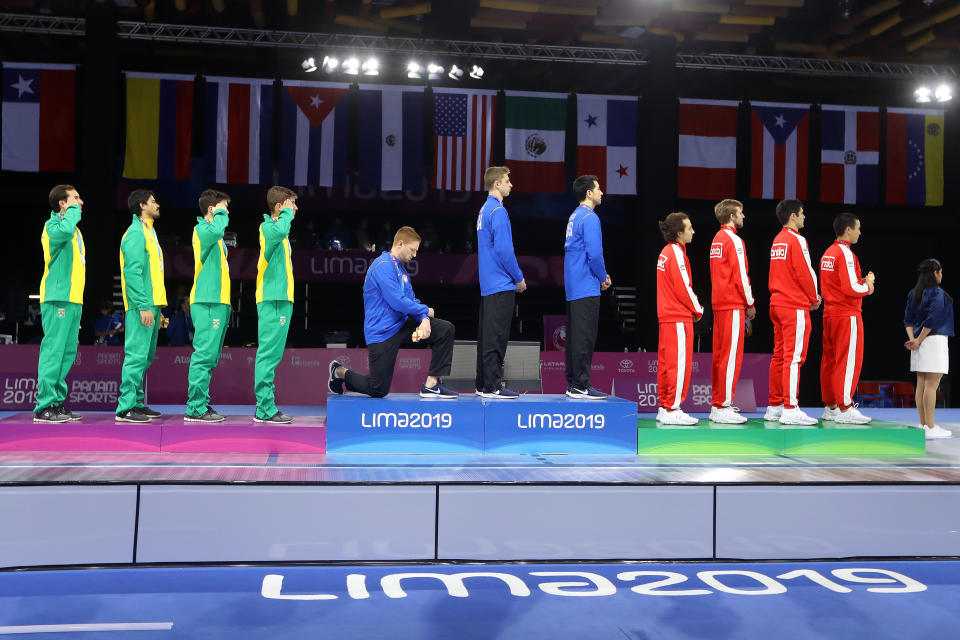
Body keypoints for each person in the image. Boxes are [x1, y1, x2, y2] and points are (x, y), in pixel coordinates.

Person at [327, 226, 457, 399]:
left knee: (445, 329)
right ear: (400, 244)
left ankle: (432, 385)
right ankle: (339, 372)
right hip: (382, 332)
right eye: (413, 250)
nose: (415, 255)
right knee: (378, 389)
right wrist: (425, 310)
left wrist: (424, 318)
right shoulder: (382, 265)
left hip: (402, 324)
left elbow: (411, 300)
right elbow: (396, 301)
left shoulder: (402, 270)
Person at [764, 199, 820, 426]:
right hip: (793, 306)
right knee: (794, 358)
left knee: (779, 356)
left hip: (777, 304)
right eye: (802, 213)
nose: (805, 217)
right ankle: (790, 407)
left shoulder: (778, 240)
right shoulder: (797, 240)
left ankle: (775, 405)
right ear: (793, 216)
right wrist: (814, 297)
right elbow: (805, 273)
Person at [33, 185, 86, 423]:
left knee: (67, 353)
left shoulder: (75, 231)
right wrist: (72, 213)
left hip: (73, 299)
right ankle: (43, 406)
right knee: (54, 351)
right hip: (57, 297)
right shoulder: (54, 226)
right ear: (62, 204)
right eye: (75, 199)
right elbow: (63, 231)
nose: (80, 202)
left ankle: (56, 402)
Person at [819, 213, 876, 425]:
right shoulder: (846, 254)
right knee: (848, 359)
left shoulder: (828, 253)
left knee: (831, 361)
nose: (860, 232)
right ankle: (845, 407)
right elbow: (850, 288)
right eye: (858, 228)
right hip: (846, 315)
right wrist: (867, 287)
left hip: (830, 314)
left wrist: (859, 281)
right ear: (848, 229)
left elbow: (837, 284)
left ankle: (831, 406)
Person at [116, 189, 167, 423]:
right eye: (153, 201)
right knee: (136, 356)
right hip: (141, 306)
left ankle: (136, 402)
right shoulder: (136, 233)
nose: (157, 204)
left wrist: (158, 308)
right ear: (141, 205)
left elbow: (153, 275)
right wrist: (143, 306)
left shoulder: (149, 232)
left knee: (145, 357)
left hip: (151, 304)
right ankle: (125, 408)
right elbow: (133, 274)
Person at [475, 166, 526, 399]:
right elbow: (505, 250)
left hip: (488, 284)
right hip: (501, 283)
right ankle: (493, 386)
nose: (511, 185)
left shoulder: (484, 209)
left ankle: (483, 384)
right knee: (496, 338)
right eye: (507, 181)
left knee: (487, 336)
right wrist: (518, 277)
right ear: (497, 184)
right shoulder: (498, 211)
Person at [185, 189, 232, 423]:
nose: (228, 212)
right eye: (224, 207)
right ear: (212, 209)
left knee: (210, 358)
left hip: (219, 301)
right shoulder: (203, 229)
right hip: (207, 301)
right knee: (204, 356)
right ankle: (195, 408)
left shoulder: (215, 234)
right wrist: (220, 215)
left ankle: (201, 403)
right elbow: (216, 229)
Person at [563, 174, 611, 400]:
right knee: (584, 338)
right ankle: (581, 385)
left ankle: (574, 383)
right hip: (586, 285)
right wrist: (603, 277)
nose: (602, 192)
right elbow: (595, 255)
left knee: (575, 338)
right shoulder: (590, 218)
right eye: (599, 188)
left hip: (573, 287)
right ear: (589, 193)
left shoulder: (574, 216)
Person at [708, 199, 755, 424]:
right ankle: (723, 405)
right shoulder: (733, 240)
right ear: (732, 216)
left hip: (719, 305)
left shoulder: (717, 239)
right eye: (741, 212)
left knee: (720, 356)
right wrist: (750, 303)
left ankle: (719, 404)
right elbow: (741, 276)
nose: (744, 216)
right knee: (731, 357)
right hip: (732, 305)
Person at [254, 186, 298, 424]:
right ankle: (264, 409)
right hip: (272, 298)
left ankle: (266, 405)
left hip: (282, 298)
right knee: (268, 355)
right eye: (292, 203)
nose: (295, 208)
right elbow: (281, 227)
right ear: (280, 206)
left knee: (273, 355)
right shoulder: (269, 227)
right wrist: (286, 213)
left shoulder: (280, 231)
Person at [656, 212, 703, 426]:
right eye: (689, 227)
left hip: (667, 317)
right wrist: (698, 310)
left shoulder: (665, 252)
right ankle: (673, 408)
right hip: (677, 317)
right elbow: (683, 287)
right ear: (679, 232)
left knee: (667, 364)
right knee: (678, 365)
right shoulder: (675, 253)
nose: (693, 231)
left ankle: (666, 407)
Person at [904, 259, 954, 439]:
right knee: (931, 385)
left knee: (922, 384)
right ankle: (931, 426)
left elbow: (908, 320)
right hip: (933, 341)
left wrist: (914, 340)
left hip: (919, 343)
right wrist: (918, 339)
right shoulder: (937, 294)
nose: (941, 275)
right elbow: (933, 320)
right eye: (941, 272)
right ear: (935, 273)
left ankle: (924, 424)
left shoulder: (913, 293)